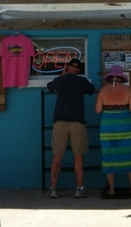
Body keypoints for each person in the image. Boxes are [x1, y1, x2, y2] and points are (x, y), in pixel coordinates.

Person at [47, 58, 96, 199]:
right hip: (77, 122)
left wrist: (63, 74)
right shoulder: (81, 81)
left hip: (60, 122)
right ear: (79, 70)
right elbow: (92, 90)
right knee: (78, 156)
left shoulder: (60, 80)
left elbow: (50, 86)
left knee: (57, 157)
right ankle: (79, 189)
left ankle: (53, 189)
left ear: (67, 67)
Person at [95, 65, 131, 196]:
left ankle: (111, 189)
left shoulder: (103, 90)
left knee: (108, 156)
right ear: (122, 77)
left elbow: (98, 110)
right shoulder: (127, 90)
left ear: (109, 77)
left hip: (107, 125)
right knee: (127, 155)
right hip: (124, 124)